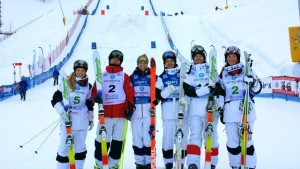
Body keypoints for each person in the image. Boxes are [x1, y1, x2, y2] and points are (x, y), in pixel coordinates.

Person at [218, 46, 262, 169]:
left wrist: (253, 82)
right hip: (230, 112)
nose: (231, 58)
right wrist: (221, 109)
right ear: (226, 58)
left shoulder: (247, 70)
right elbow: (221, 92)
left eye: (234, 56)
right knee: (232, 142)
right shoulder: (223, 73)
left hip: (246, 110)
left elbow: (257, 89)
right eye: (229, 56)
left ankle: (250, 165)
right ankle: (235, 165)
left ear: (238, 57)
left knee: (247, 142)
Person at [93, 50, 135, 169]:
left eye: (118, 59)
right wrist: (95, 97)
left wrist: (130, 107)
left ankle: (113, 164)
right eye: (113, 58)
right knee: (102, 140)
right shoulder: (101, 75)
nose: (115, 60)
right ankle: (99, 163)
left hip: (120, 114)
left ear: (120, 61)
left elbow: (130, 93)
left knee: (117, 141)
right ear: (109, 59)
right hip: (105, 114)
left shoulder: (124, 76)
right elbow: (95, 90)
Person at [51, 59, 94, 169]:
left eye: (83, 70)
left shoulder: (88, 86)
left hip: (82, 122)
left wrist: (91, 119)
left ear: (86, 72)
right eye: (78, 70)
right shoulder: (66, 83)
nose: (80, 72)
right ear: (75, 71)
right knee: (64, 149)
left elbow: (89, 104)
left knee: (80, 149)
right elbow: (55, 100)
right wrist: (62, 112)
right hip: (68, 122)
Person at [183, 45, 220, 169]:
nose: (198, 58)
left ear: (204, 57)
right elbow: (188, 90)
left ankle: (212, 162)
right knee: (194, 135)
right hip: (195, 108)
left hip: (210, 106)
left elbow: (219, 87)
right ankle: (193, 162)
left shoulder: (212, 70)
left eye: (200, 55)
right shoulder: (190, 72)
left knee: (211, 135)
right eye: (195, 56)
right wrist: (204, 90)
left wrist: (216, 90)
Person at [155, 50, 188, 169]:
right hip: (168, 112)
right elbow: (158, 95)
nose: (169, 63)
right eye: (167, 61)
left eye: (171, 61)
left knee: (182, 139)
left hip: (181, 111)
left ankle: (181, 162)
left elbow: (189, 89)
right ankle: (168, 163)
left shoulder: (183, 73)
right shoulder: (161, 77)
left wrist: (185, 99)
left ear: (175, 61)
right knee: (167, 138)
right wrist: (167, 90)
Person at [130, 54, 151, 169]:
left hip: (148, 111)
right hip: (135, 112)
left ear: (147, 64)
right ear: (137, 64)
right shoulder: (132, 77)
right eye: (140, 63)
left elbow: (157, 91)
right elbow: (128, 92)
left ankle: (148, 162)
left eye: (144, 63)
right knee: (137, 138)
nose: (142, 65)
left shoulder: (152, 75)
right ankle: (139, 162)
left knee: (147, 138)